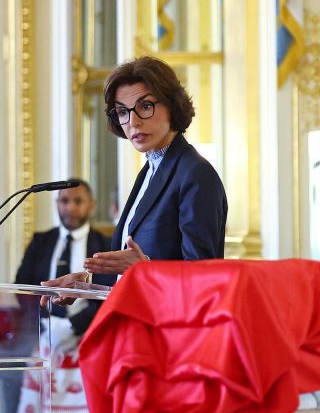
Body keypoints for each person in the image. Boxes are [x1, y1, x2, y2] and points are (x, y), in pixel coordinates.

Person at [47, 56, 228, 284]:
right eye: (122, 112)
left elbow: (203, 275)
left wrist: (146, 268)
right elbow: (129, 270)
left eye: (145, 106)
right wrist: (85, 281)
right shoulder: (149, 171)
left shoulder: (195, 173)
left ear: (172, 105)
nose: (133, 121)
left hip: (169, 319)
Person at [10, 179, 114, 413]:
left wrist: (71, 326)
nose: (70, 208)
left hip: (89, 340)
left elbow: (111, 293)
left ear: (91, 205)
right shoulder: (41, 241)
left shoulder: (105, 245)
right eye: (64, 201)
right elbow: (23, 286)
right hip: (45, 338)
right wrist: (48, 322)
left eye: (77, 201)